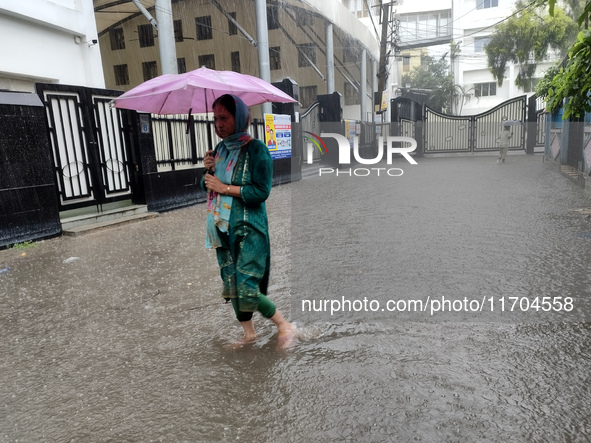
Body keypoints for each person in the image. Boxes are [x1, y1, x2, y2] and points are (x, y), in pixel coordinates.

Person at [201, 94, 295, 347]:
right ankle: (249, 334)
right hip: (222, 228)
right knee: (231, 284)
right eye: (215, 119)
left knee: (246, 286)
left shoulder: (257, 150)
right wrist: (209, 170)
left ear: (240, 117)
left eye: (224, 118)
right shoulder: (219, 151)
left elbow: (261, 192)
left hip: (250, 229)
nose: (218, 124)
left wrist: (224, 187)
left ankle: (284, 325)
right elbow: (209, 187)